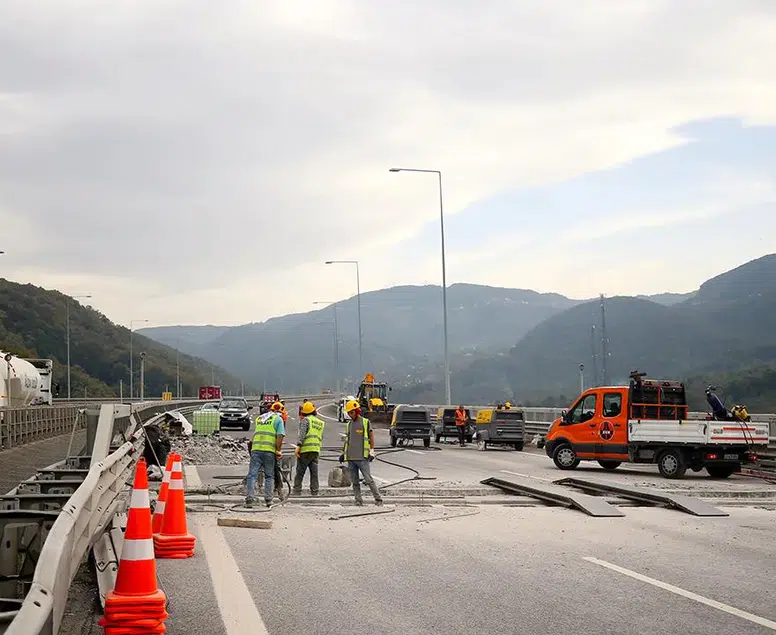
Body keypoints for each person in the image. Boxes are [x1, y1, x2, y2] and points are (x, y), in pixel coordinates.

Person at [339, 399, 383, 506]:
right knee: (355, 482)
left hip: (362, 458)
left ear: (357, 411)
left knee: (368, 480)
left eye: (352, 412)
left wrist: (371, 451)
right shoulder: (349, 425)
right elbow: (347, 441)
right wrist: (343, 454)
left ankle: (378, 499)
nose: (350, 415)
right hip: (351, 458)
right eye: (349, 413)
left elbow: (371, 437)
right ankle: (358, 500)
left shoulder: (365, 422)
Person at [245, 401, 285, 508]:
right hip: (269, 451)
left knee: (252, 474)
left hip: (256, 449)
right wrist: (278, 450)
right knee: (269, 475)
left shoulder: (260, 418)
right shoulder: (278, 419)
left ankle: (249, 499)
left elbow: (256, 435)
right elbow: (280, 435)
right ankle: (268, 500)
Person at [293, 401, 325, 496]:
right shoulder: (320, 423)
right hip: (315, 450)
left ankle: (297, 491)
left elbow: (302, 434)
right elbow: (321, 436)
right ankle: (315, 492)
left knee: (300, 472)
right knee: (314, 473)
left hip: (305, 450)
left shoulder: (305, 420)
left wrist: (298, 446)